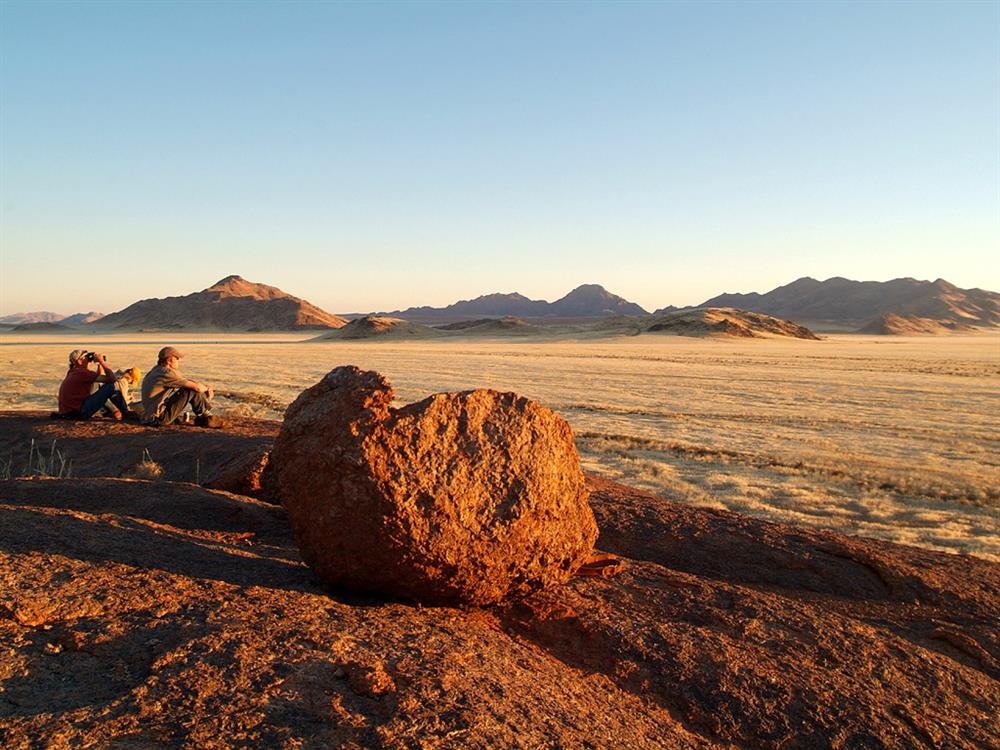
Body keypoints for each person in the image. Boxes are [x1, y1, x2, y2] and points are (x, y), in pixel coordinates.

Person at [140, 346, 223, 427]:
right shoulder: (167, 372)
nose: (178, 361)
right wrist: (207, 389)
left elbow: (185, 381)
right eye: (177, 359)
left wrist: (203, 387)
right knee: (190, 390)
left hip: (150, 416)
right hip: (158, 418)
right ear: (169, 361)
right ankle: (207, 416)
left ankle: (203, 416)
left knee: (189, 387)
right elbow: (195, 387)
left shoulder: (155, 370)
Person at [56, 349, 134, 419]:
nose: (89, 361)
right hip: (78, 413)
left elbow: (99, 380)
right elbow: (112, 380)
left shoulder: (73, 371)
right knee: (110, 387)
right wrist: (102, 362)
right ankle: (125, 412)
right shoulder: (82, 373)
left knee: (97, 385)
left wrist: (99, 364)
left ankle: (111, 411)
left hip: (68, 412)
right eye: (86, 358)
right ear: (80, 361)